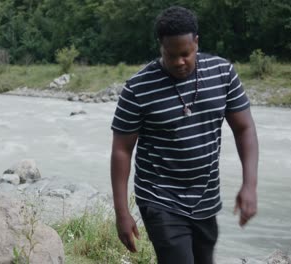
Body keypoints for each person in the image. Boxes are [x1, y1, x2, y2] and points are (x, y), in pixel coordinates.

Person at [110, 5, 259, 264]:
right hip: (160, 197)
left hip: (206, 196)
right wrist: (121, 212)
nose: (180, 62)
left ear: (197, 43)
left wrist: (250, 185)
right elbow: (121, 150)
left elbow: (244, 128)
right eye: (171, 55)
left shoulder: (223, 74)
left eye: (186, 54)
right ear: (160, 47)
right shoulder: (138, 88)